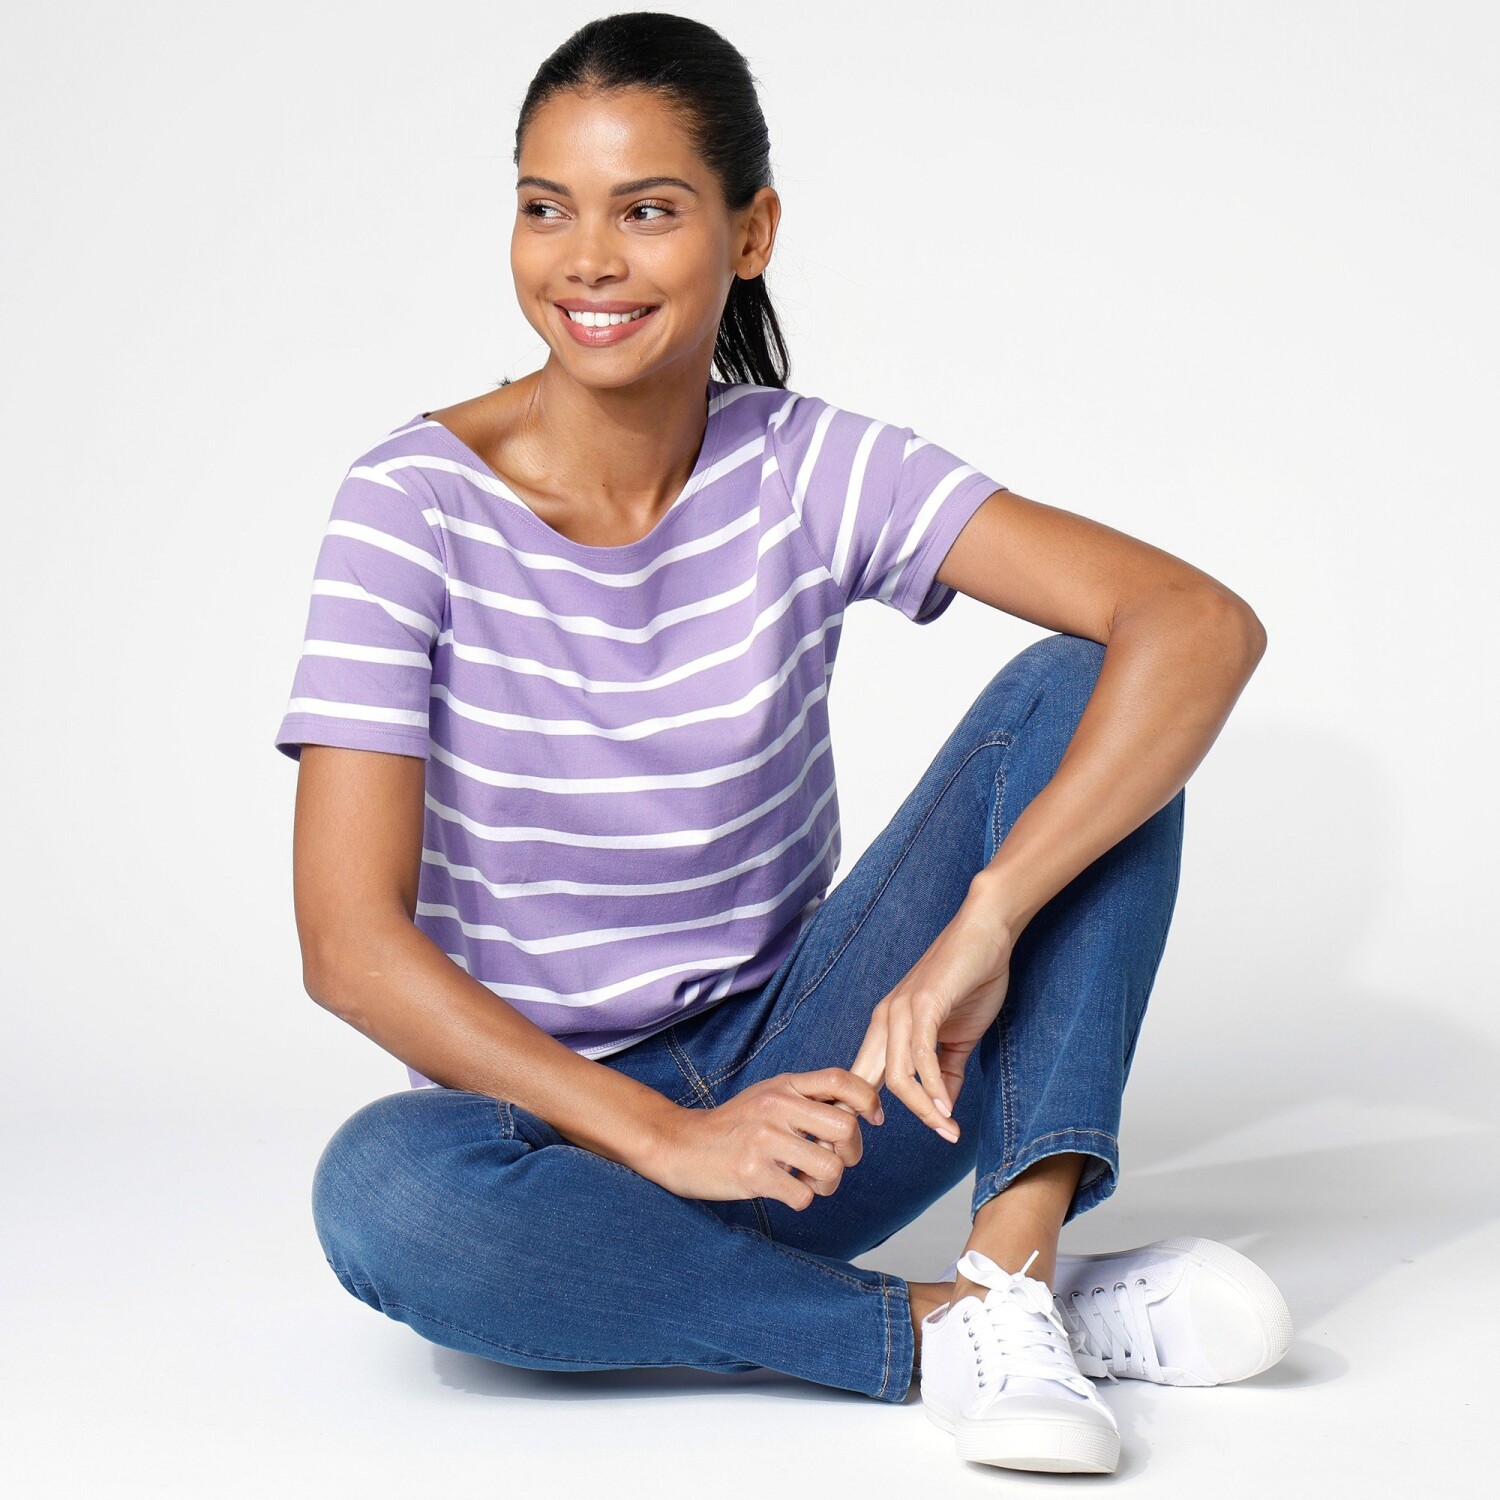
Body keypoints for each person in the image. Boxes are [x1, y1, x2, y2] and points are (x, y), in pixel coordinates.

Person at [274, 11, 1289, 1477]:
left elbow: (1195, 623)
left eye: (647, 210)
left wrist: (985, 923)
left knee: (1090, 691)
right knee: (386, 1195)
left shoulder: (810, 465)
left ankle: (1013, 1261)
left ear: (749, 233)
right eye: (547, 207)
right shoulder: (408, 507)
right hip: (558, 1145)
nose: (588, 260)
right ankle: (965, 1328)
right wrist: (663, 1136)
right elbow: (347, 947)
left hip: (823, 1094)